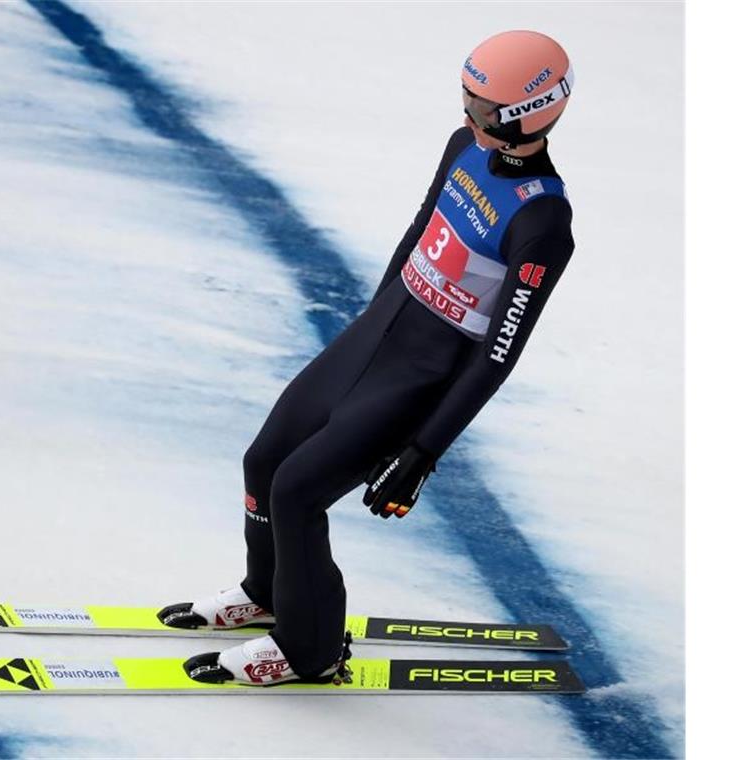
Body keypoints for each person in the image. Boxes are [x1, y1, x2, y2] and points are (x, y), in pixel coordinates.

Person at [160, 30, 577, 685]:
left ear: (536, 112)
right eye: (466, 98)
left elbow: (499, 352)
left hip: (422, 373)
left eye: (486, 109)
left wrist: (421, 453)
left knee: (298, 493)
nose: (469, 117)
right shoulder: (463, 145)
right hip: (379, 335)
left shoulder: (544, 223)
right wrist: (369, 323)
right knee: (264, 460)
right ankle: (268, 591)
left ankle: (311, 649)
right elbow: (419, 230)